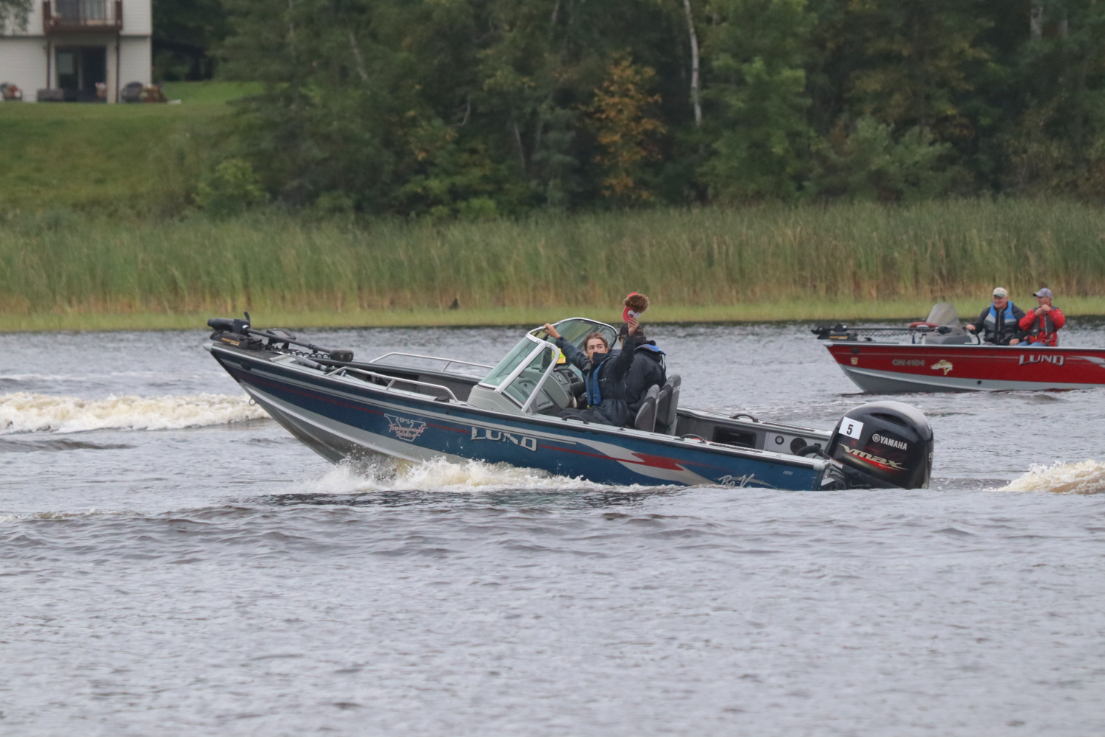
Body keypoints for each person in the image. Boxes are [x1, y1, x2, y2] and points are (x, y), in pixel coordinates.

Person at [543, 322, 635, 426]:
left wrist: (630, 338)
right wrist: (556, 336)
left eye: (599, 347)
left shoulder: (613, 366)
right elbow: (574, 355)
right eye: (592, 348)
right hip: (598, 412)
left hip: (611, 417)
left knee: (564, 416)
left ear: (606, 349)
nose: (596, 350)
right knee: (564, 412)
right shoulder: (590, 366)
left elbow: (626, 357)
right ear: (586, 352)